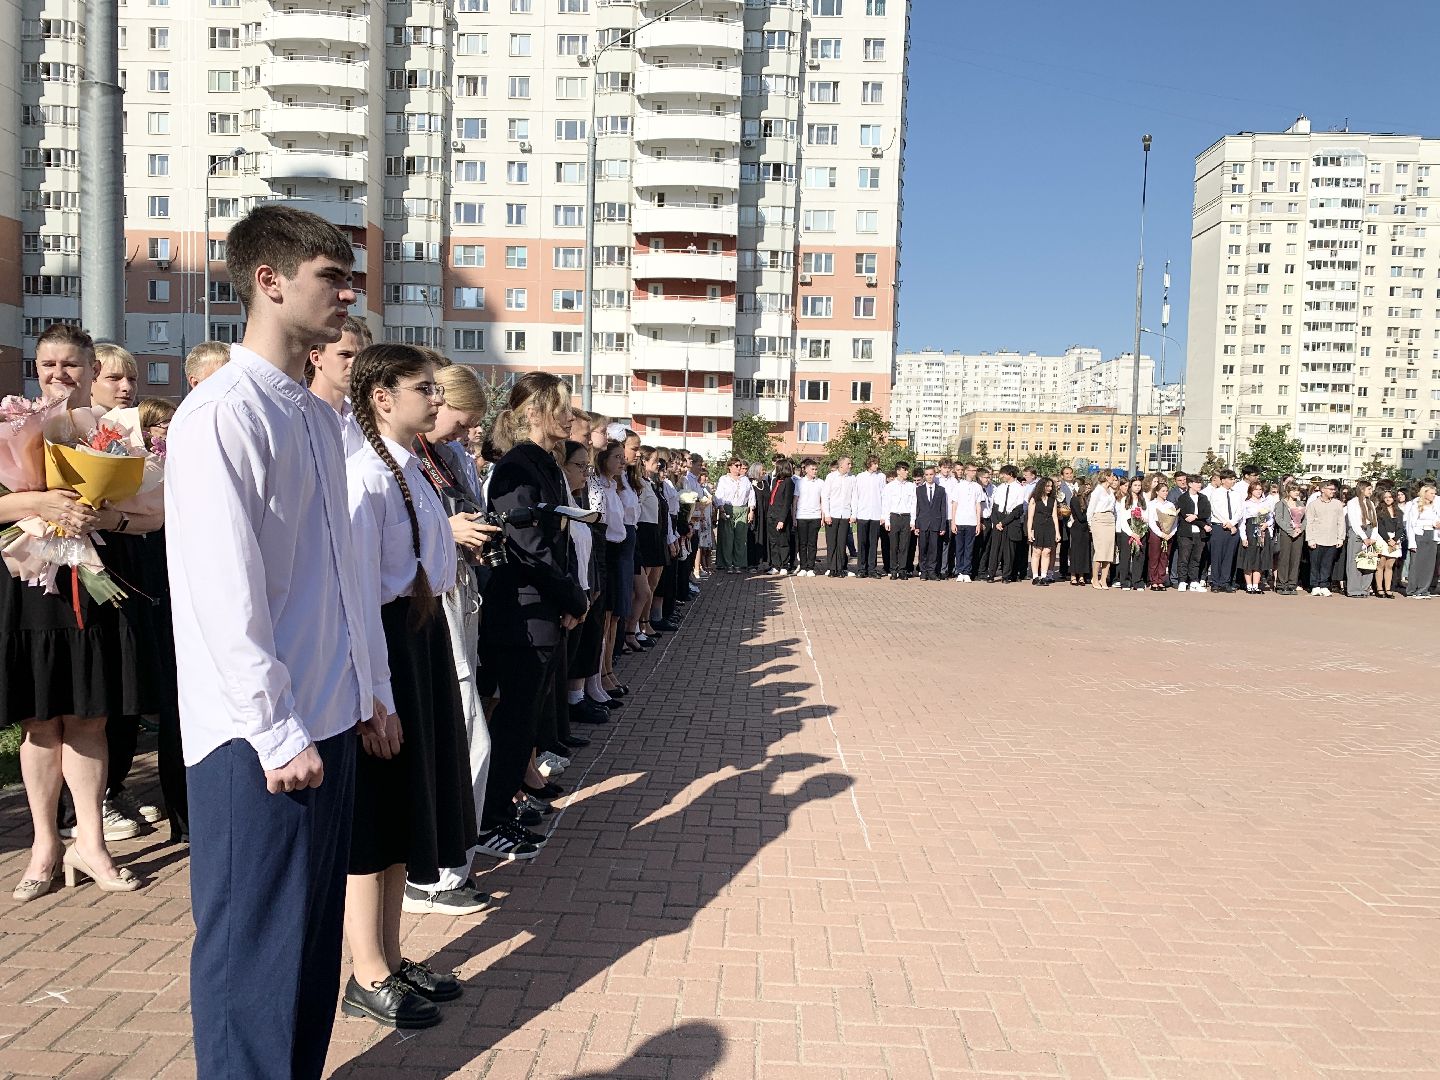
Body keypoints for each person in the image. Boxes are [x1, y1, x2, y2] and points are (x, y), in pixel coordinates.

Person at [166, 205, 378, 1079]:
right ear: (270, 281)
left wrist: (366, 691)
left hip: (325, 716)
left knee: (307, 954)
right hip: (256, 738)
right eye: (331, 277)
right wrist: (275, 728)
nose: (348, 294)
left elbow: (338, 576)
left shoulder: (317, 417)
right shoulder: (223, 412)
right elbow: (224, 591)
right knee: (251, 959)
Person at [341, 343, 474, 1028]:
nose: (436, 399)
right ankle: (365, 970)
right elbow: (358, 596)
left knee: (402, 811)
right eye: (424, 388)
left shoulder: (410, 467)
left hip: (418, 640)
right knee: (375, 816)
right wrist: (375, 697)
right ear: (382, 397)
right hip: (385, 647)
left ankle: (390, 956)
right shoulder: (364, 476)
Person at [4, 325, 150, 903]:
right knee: (40, 720)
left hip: (95, 585)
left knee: (90, 717)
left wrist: (103, 517)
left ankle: (91, 843)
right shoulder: (13, 425)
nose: (59, 374)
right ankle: (44, 846)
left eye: (71, 365)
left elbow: (150, 512)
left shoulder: (114, 433)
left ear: (92, 370)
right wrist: (39, 502)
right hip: (31, 586)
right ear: (35, 369)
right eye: (49, 365)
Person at [402, 362, 501, 916]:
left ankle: (450, 860)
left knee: (465, 731)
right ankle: (438, 870)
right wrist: (448, 529)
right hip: (429, 603)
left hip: (456, 593)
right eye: (460, 421)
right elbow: (382, 529)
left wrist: (468, 533)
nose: (464, 434)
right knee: (465, 734)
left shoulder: (441, 457)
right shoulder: (397, 456)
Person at [478, 373, 587, 860]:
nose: (569, 416)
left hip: (542, 607)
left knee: (524, 720)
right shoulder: (516, 468)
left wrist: (569, 596)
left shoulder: (544, 463)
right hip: (521, 612)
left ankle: (502, 808)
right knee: (514, 722)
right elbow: (529, 548)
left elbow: (557, 540)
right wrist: (571, 596)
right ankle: (490, 820)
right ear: (534, 413)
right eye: (561, 408)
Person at [308, 315, 373, 454]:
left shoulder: (360, 418)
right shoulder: (301, 415)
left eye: (360, 356)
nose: (355, 363)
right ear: (316, 358)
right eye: (345, 354)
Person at [713, 458, 754, 574]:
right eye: (736, 465)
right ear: (730, 467)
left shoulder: (745, 480)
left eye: (740, 465)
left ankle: (738, 564)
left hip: (742, 509)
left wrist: (751, 510)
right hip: (728, 508)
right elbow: (719, 495)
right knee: (727, 538)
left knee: (740, 538)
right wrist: (721, 509)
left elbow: (751, 495)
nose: (739, 467)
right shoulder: (724, 479)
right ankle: (727, 564)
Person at [1304, 480, 1344, 596]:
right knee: (1315, 564)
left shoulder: (1337, 504)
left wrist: (1340, 538)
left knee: (1327, 564)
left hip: (1332, 539)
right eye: (1330, 489)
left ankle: (1324, 585)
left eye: (1334, 489)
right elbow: (1309, 522)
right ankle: (1315, 585)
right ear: (1322, 490)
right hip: (1317, 538)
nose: (1333, 491)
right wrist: (1310, 539)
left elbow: (1341, 521)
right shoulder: (1313, 504)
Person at [986, 465, 1025, 583]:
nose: (1001, 476)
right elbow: (995, 507)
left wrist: (1004, 522)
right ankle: (991, 574)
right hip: (999, 519)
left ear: (1010, 474)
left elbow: (1018, 509)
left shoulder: (1019, 488)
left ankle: (1006, 575)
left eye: (1004, 474)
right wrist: (996, 522)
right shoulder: (1000, 488)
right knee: (995, 549)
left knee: (1009, 551)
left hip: (1011, 521)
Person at [821, 456, 858, 578]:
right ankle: (832, 568)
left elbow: (854, 497)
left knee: (842, 543)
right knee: (832, 542)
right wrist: (827, 514)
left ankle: (841, 568)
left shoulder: (852, 478)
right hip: (832, 514)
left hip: (845, 514)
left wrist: (853, 514)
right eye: (848, 464)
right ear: (841, 465)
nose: (850, 466)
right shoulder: (831, 477)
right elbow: (825, 496)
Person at [1207, 469, 1243, 593]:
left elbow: (1239, 511)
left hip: (1233, 527)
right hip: (1219, 526)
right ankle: (1215, 582)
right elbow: (1215, 510)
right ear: (1222, 480)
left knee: (1229, 556)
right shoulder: (1215, 493)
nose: (1233, 481)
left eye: (1234, 479)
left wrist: (1232, 523)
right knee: (1217, 555)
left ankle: (1225, 581)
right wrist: (1226, 522)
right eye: (1230, 479)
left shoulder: (1236, 494)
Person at [1343, 479, 1379, 599]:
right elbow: (1354, 522)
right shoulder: (1352, 503)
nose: (1371, 491)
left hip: (1370, 531)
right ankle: (1354, 589)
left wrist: (1373, 537)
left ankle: (1364, 588)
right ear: (1362, 489)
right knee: (1354, 562)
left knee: (1369, 560)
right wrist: (1364, 537)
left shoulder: (1370, 503)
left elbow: (1375, 521)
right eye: (1369, 489)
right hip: (1357, 532)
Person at [853, 456, 887, 579]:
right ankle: (861, 569)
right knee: (862, 542)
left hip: (876, 514)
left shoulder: (881, 477)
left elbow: (884, 495)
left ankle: (872, 568)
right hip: (862, 514)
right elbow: (855, 495)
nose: (877, 466)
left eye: (877, 463)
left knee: (873, 543)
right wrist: (854, 514)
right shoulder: (860, 477)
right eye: (874, 463)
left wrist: (883, 514)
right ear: (869, 464)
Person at [1237, 480, 1272, 594]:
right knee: (1249, 558)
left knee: (1259, 558)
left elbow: (1271, 518)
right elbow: (1242, 522)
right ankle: (1249, 585)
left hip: (1262, 531)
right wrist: (1244, 537)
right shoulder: (1246, 503)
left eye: (1260, 489)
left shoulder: (1265, 502)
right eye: (1256, 489)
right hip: (1250, 530)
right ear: (1251, 491)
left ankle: (1256, 585)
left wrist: (1267, 524)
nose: (1258, 491)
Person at [1405, 482, 1439, 599]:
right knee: (1416, 564)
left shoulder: (1435, 506)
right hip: (1420, 535)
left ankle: (1423, 589)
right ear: (1425, 493)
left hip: (1432, 535)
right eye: (1431, 493)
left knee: (1429, 564)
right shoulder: (1416, 505)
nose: (1434, 495)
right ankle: (1412, 589)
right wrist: (1412, 542)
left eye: (1434, 493)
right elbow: (1411, 524)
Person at [913, 466, 948, 581]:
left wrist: (943, 526)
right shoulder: (919, 490)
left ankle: (932, 571)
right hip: (923, 523)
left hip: (935, 524)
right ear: (924, 476)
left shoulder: (941, 490)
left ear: (935, 475)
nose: (929, 477)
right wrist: (916, 525)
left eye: (931, 474)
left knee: (934, 549)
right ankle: (923, 571)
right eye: (927, 474)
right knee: (922, 548)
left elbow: (943, 509)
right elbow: (917, 508)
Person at [950, 463, 983, 582]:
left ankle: (967, 571)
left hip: (972, 522)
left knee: (969, 548)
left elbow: (978, 505)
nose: (973, 473)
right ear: (966, 471)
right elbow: (954, 504)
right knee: (959, 548)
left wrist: (978, 523)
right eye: (971, 470)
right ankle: (959, 571)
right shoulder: (959, 486)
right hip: (960, 520)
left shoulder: (977, 487)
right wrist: (953, 522)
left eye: (975, 470)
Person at [883, 462, 916, 580]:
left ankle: (902, 569)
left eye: (907, 470)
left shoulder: (911, 486)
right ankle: (893, 570)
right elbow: (886, 504)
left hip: (906, 517)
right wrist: (887, 520)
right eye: (904, 469)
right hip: (894, 516)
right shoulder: (890, 486)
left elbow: (913, 503)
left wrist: (912, 520)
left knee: (904, 545)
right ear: (898, 471)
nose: (907, 472)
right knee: (893, 545)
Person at [1273, 483, 1306, 596]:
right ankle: (1281, 584)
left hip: (1298, 534)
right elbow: (1279, 519)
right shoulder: (1281, 504)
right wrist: (1290, 531)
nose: (1296, 492)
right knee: (1284, 559)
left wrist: (1300, 529)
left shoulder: (1301, 504)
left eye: (1297, 490)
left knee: (1295, 559)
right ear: (1288, 491)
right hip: (1286, 534)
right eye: (1293, 490)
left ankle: (1292, 584)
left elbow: (1305, 519)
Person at [1115, 475, 1147, 590]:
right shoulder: (1125, 500)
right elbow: (1123, 519)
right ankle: (1125, 581)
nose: (1137, 487)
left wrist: (1141, 531)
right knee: (1125, 557)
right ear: (1130, 486)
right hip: (1127, 531)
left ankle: (1137, 581)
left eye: (1139, 485)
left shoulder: (1143, 499)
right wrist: (1131, 533)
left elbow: (1146, 515)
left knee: (1139, 556)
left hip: (1141, 531)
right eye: (1135, 485)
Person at [1087, 470, 1118, 590]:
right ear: (1106, 477)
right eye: (1112, 476)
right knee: (1100, 551)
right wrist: (1090, 524)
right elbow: (1091, 508)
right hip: (1099, 519)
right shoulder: (1097, 491)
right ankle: (1095, 578)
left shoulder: (1111, 491)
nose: (1114, 479)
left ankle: (1103, 579)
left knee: (1109, 551)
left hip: (1110, 519)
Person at [793, 459, 824, 577]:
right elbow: (795, 500)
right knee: (802, 543)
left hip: (815, 516)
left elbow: (822, 500)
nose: (815, 471)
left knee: (812, 543)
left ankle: (811, 567)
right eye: (812, 469)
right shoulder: (799, 482)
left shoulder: (820, 482)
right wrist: (794, 516)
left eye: (816, 469)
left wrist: (822, 516)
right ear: (806, 469)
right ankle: (803, 567)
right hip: (802, 516)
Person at [1144, 480, 1178, 591]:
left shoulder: (1170, 504)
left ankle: (1161, 580)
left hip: (1168, 532)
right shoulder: (1152, 504)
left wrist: (1171, 533)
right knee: (1154, 557)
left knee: (1164, 557)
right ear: (1157, 492)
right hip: (1156, 531)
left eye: (1166, 491)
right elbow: (1151, 521)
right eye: (1163, 491)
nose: (1165, 493)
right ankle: (1153, 580)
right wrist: (1160, 533)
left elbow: (1174, 521)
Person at [1026, 477, 1058, 586]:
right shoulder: (1034, 499)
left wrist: (1057, 532)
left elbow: (1055, 516)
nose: (1050, 488)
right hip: (1037, 527)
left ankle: (1044, 576)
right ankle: (1035, 576)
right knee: (1037, 552)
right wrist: (1029, 531)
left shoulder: (1053, 500)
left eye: (1051, 486)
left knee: (1047, 552)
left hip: (1049, 527)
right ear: (1042, 486)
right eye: (1047, 486)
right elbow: (1030, 517)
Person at [766, 458, 795, 576]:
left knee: (783, 541)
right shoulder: (775, 481)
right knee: (773, 542)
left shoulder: (789, 482)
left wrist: (782, 520)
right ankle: (775, 565)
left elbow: (787, 502)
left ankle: (784, 565)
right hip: (771, 515)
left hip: (781, 516)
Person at [1374, 487, 1404, 599]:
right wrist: (1388, 540)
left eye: (1390, 497)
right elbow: (1380, 527)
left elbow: (1401, 528)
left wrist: (1395, 540)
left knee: (1389, 565)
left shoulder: (1399, 512)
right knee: (1380, 565)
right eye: (1385, 497)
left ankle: (1388, 589)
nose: (1388, 499)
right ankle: (1379, 588)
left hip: (1395, 540)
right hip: (1382, 538)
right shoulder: (1379, 511)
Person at [1066, 477, 1093, 585]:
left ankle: (1081, 576)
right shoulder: (1074, 500)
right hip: (1077, 528)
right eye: (1086, 488)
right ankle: (1073, 575)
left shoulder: (1086, 500)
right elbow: (1080, 517)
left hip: (1085, 529)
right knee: (1075, 552)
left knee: (1084, 552)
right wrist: (1090, 514)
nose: (1088, 490)